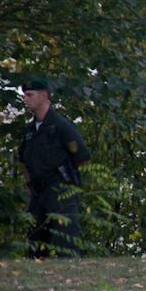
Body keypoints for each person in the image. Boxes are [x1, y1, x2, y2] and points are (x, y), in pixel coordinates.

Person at [19, 77, 91, 258]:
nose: (25, 99)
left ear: (43, 96)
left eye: (29, 95)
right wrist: (30, 185)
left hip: (60, 190)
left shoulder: (61, 125)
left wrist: (65, 179)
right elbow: (24, 160)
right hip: (38, 192)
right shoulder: (30, 130)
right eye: (24, 95)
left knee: (65, 242)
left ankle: (69, 274)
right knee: (36, 242)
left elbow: (82, 158)